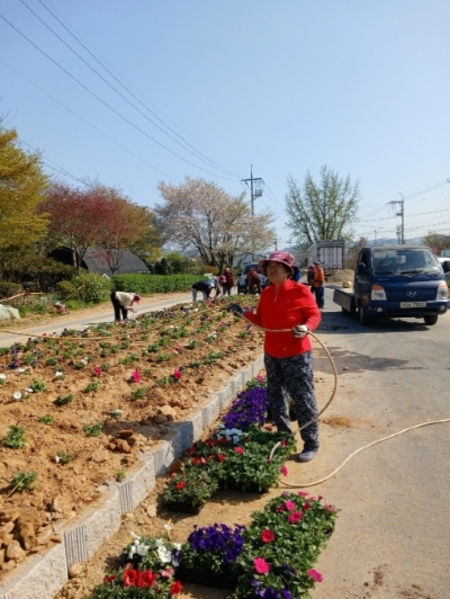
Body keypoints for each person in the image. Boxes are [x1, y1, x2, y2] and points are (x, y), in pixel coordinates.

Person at [228, 250, 321, 462]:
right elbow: (261, 321)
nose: (271, 271)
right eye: (268, 268)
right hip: (272, 353)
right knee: (276, 396)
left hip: (297, 353)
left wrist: (307, 327)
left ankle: (311, 442)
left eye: (276, 267)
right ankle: (283, 436)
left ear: (287, 271)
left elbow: (314, 315)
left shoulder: (301, 291)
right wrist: (242, 312)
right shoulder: (267, 293)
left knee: (303, 398)